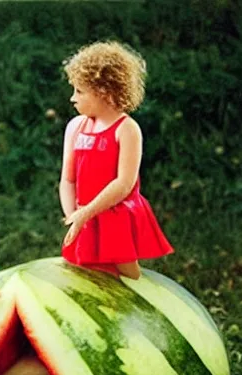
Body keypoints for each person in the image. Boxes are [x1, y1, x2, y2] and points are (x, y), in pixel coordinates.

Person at [59, 41, 174, 280]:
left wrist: (87, 212)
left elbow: (124, 184)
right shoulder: (75, 127)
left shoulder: (127, 129)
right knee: (82, 271)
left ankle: (140, 308)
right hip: (84, 214)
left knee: (126, 273)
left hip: (117, 214)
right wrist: (74, 216)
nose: (72, 98)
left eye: (79, 91)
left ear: (105, 93)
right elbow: (67, 180)